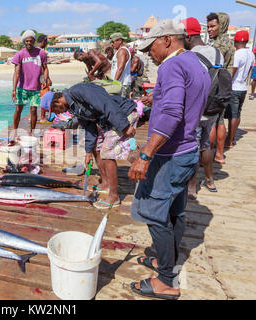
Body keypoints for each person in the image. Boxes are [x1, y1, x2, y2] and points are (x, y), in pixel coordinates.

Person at [128, 19, 211, 300]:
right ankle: (167, 262)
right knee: (176, 211)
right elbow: (188, 102)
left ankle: (165, 281)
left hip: (170, 154)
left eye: (151, 47)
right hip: (189, 150)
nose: (149, 53)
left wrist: (145, 154)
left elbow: (174, 114)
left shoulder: (172, 65)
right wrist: (158, 97)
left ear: (167, 41)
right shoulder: (196, 61)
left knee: (154, 214)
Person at [48, 83, 138, 208]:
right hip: (109, 120)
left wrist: (124, 125)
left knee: (107, 153)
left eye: (55, 110)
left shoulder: (78, 91)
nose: (58, 114)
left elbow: (106, 103)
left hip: (122, 113)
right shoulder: (73, 107)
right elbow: (89, 127)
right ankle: (106, 182)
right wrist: (88, 151)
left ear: (57, 101)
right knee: (96, 147)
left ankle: (114, 197)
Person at [182, 17, 225, 199]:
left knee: (193, 147)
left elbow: (191, 86)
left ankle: (191, 188)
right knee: (206, 144)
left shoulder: (191, 57)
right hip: (214, 108)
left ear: (188, 37)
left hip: (198, 110)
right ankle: (209, 180)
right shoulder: (217, 53)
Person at [207, 12, 235, 164]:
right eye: (208, 27)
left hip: (215, 88)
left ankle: (207, 153)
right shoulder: (229, 42)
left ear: (221, 25)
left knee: (211, 121)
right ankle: (219, 154)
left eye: (213, 26)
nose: (209, 30)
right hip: (225, 87)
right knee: (220, 121)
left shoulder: (218, 45)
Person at [11, 30, 50, 138]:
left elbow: (45, 68)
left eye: (31, 41)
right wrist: (14, 90)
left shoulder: (41, 53)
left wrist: (45, 80)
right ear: (24, 41)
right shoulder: (20, 54)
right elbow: (16, 73)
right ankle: (15, 131)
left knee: (33, 110)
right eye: (27, 41)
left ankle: (32, 132)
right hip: (22, 88)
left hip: (36, 88)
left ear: (34, 41)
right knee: (18, 109)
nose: (29, 43)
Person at [224, 30, 254, 149]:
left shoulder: (237, 54)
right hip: (242, 87)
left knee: (233, 115)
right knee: (237, 113)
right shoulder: (251, 54)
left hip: (234, 87)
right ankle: (232, 137)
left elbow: (233, 71)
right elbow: (249, 70)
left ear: (235, 41)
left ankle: (229, 140)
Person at [110, 32, 133, 98]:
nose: (112, 44)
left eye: (113, 42)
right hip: (120, 84)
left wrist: (114, 83)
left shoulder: (122, 51)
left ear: (120, 40)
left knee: (121, 106)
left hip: (121, 85)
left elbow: (120, 68)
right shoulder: (120, 50)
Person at [37, 34, 53, 122]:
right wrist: (46, 79)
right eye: (46, 42)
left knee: (34, 97)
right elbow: (44, 67)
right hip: (41, 77)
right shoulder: (41, 52)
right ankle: (42, 117)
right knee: (45, 96)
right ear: (44, 41)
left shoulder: (33, 50)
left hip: (33, 78)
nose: (47, 44)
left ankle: (33, 116)